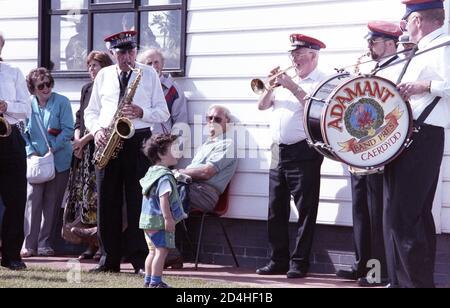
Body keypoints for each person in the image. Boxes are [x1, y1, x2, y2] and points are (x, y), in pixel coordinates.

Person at [84, 30, 169, 273]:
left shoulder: (148, 73)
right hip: (107, 139)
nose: (128, 57)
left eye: (131, 51)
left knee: (137, 202)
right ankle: (108, 260)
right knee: (106, 201)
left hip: (138, 142)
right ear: (112, 53)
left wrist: (143, 112)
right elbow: (90, 112)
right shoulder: (103, 75)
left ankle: (140, 260)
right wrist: (98, 130)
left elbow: (163, 113)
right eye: (122, 53)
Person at [383, 0, 450, 288]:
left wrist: (425, 86)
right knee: (409, 216)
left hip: (423, 136)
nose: (404, 25)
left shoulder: (444, 44)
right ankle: (405, 283)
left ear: (418, 19)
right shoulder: (425, 48)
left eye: (407, 19)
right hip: (409, 135)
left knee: (405, 217)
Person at [336, 21, 402, 287]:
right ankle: (361, 265)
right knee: (361, 214)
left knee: (376, 217)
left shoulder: (398, 67)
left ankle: (377, 273)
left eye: (373, 42)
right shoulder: (372, 68)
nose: (369, 47)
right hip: (361, 149)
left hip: (380, 151)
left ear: (390, 43)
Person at [255, 34, 326, 279]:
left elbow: (317, 108)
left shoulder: (322, 81)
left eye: (299, 54)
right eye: (292, 54)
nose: (294, 59)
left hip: (303, 151)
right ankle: (278, 260)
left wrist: (292, 86)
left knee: (305, 209)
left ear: (313, 56)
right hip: (278, 151)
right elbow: (262, 106)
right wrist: (270, 86)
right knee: (276, 208)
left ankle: (299, 262)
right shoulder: (286, 81)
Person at [62, 51, 113, 261]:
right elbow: (80, 117)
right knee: (84, 201)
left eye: (96, 65)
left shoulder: (109, 89)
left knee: (98, 199)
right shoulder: (86, 89)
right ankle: (90, 245)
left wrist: (85, 141)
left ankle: (103, 244)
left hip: (98, 146)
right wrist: (77, 141)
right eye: (90, 65)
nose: (92, 69)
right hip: (82, 150)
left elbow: (106, 120)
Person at [22, 68, 74, 258]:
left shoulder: (62, 102)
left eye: (49, 83)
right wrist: (31, 152)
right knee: (32, 201)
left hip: (58, 160)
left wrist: (53, 147)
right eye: (41, 85)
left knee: (52, 203)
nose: (46, 88)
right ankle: (29, 244)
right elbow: (23, 132)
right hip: (36, 160)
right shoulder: (28, 105)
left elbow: (68, 129)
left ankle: (45, 243)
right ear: (33, 88)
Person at [140, 134, 187, 288]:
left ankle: (148, 281)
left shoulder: (151, 172)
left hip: (147, 221)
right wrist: (168, 219)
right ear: (160, 154)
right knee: (162, 251)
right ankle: (156, 282)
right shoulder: (165, 176)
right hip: (160, 221)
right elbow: (163, 198)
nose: (177, 152)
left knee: (152, 251)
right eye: (173, 149)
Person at [0, 39, 31, 270]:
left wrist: (6, 106)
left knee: (15, 199)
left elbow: (26, 108)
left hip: (9, 136)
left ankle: (11, 255)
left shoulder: (13, 72)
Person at [137, 48, 188, 135]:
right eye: (149, 63)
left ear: (163, 64)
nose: (153, 66)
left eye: (156, 62)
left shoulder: (173, 89)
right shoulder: (135, 87)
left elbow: (180, 123)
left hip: (161, 143)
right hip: (138, 139)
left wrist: (175, 145)